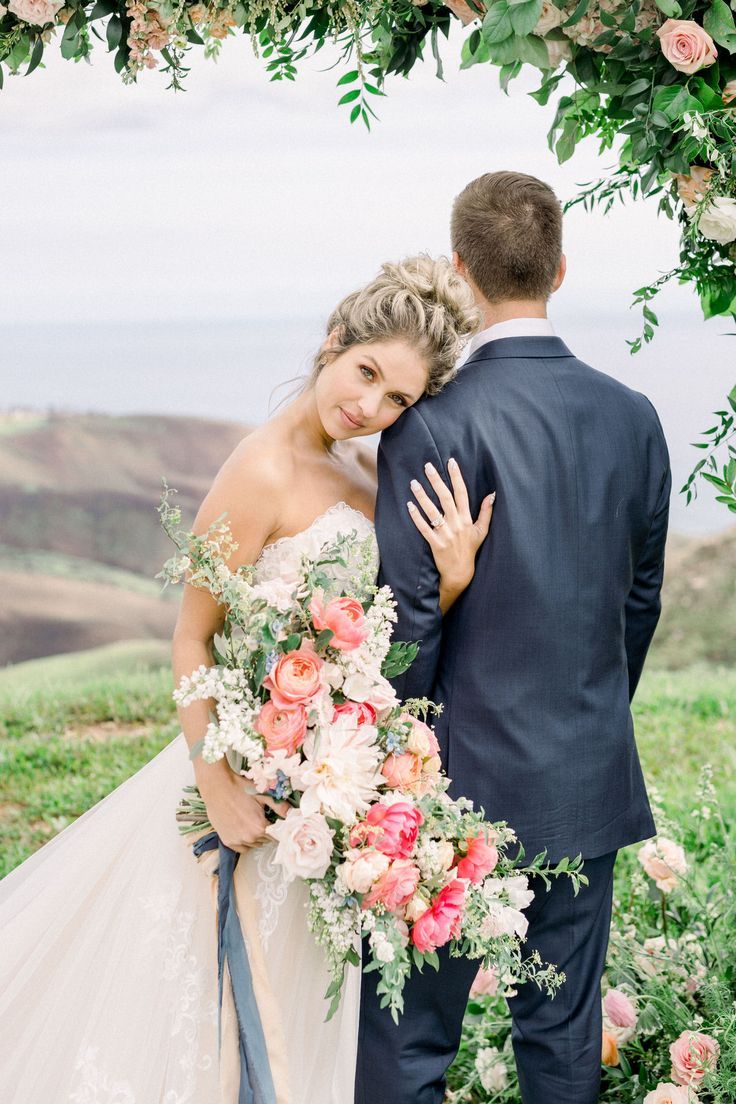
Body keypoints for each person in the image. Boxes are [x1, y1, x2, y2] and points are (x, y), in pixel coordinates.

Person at [0, 255, 493, 1103]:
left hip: (321, 788)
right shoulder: (261, 467)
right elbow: (192, 639)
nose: (369, 406)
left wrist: (448, 584)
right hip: (239, 780)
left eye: (396, 399)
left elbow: (376, 631)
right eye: (366, 372)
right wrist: (217, 781)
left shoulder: (368, 472)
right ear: (334, 341)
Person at [355, 171, 672, 1104]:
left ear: (461, 271)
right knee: (562, 1040)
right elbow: (639, 603)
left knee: (413, 1041)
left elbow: (403, 637)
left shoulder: (430, 424)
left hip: (454, 789)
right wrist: (591, 711)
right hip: (585, 768)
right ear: (562, 270)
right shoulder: (634, 417)